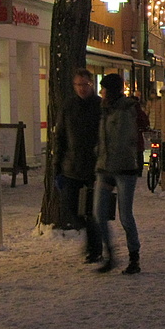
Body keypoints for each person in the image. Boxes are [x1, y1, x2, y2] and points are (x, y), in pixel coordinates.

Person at [52, 68, 102, 261]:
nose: (82, 88)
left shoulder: (99, 106)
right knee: (72, 209)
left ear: (92, 84)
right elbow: (60, 136)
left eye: (85, 84)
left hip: (93, 168)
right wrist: (58, 165)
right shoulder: (68, 106)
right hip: (71, 167)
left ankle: (94, 247)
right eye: (78, 85)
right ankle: (93, 241)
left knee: (92, 211)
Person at [94, 72, 142, 275]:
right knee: (98, 213)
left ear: (111, 91)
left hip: (124, 169)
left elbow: (123, 141)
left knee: (125, 216)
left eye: (103, 88)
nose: (101, 92)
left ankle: (134, 257)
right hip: (105, 167)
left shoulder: (125, 110)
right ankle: (110, 254)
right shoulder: (104, 110)